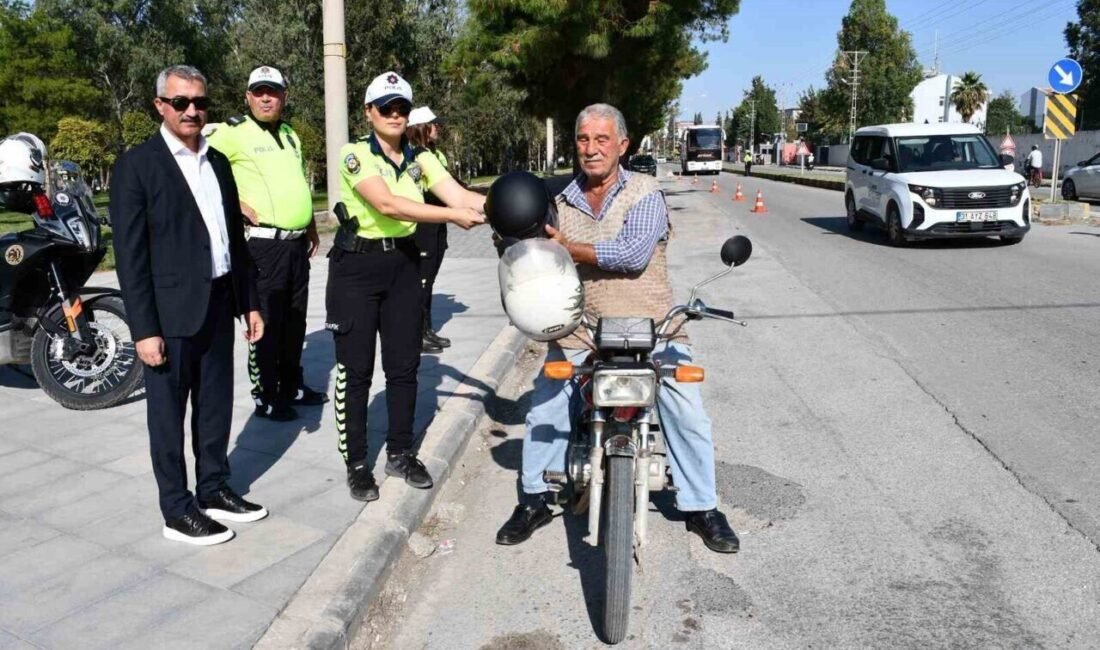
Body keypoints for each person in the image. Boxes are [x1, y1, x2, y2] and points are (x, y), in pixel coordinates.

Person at [494, 103, 740, 554]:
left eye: (602, 139)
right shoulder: (559, 200)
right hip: (581, 328)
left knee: (686, 408)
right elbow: (526, 241)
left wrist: (567, 247)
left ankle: (702, 506)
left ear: (622, 145)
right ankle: (533, 498)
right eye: (583, 139)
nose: (591, 149)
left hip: (653, 328)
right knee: (546, 405)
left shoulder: (645, 193)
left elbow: (632, 254)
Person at [111, 65, 267, 546]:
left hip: (218, 302)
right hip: (168, 314)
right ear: (160, 105)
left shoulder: (217, 161)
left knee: (215, 406)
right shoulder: (137, 166)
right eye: (180, 102)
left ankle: (214, 489)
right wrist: (144, 329)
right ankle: (177, 510)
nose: (192, 111)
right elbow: (130, 257)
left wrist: (249, 302)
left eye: (200, 102)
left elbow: (232, 238)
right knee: (167, 416)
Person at [328, 72, 486, 503]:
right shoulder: (355, 154)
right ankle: (357, 464)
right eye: (386, 108)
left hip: (402, 264)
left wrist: (513, 206)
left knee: (404, 367)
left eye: (402, 108)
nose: (395, 115)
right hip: (357, 268)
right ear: (369, 112)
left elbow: (461, 196)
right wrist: (450, 216)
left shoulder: (421, 158)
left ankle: (400, 452)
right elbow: (387, 204)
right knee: (356, 372)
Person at [207, 65, 328, 422]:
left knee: (295, 321)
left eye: (272, 92)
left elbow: (296, 182)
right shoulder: (232, 133)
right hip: (262, 247)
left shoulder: (290, 134)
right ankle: (266, 394)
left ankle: (291, 386)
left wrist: (309, 226)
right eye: (258, 92)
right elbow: (198, 165)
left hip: (295, 245)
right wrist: (234, 204)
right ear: (247, 97)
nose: (265, 98)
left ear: (283, 97)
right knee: (266, 322)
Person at [406, 106, 450, 354]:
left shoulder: (435, 154)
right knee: (421, 281)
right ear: (421, 128)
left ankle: (426, 329)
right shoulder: (413, 156)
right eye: (433, 124)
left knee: (429, 280)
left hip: (438, 225)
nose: (437, 128)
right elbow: (421, 190)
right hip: (423, 226)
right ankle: (416, 334)